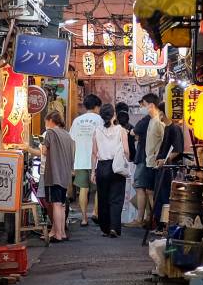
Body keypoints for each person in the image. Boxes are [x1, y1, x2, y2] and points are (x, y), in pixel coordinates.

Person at [23, 111, 74, 242]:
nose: (45, 124)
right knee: (61, 204)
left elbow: (44, 151)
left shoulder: (51, 133)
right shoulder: (67, 135)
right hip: (65, 174)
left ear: (51, 121)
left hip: (53, 174)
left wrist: (27, 148)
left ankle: (57, 234)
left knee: (55, 204)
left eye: (46, 122)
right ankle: (61, 232)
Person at [91, 103, 129, 237]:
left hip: (102, 167)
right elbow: (126, 151)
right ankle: (114, 227)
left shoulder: (97, 131)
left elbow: (94, 153)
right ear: (114, 115)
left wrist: (92, 172)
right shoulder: (121, 130)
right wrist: (126, 161)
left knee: (103, 198)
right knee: (116, 198)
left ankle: (105, 228)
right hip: (116, 166)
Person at [128, 93, 164, 228]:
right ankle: (152, 219)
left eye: (143, 104)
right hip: (149, 161)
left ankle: (152, 219)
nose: (142, 107)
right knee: (149, 191)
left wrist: (159, 157)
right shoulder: (152, 120)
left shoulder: (157, 120)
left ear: (151, 105)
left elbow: (163, 141)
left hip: (152, 162)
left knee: (147, 190)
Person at [69, 94, 102, 226]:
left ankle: (84, 218)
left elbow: (73, 142)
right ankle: (95, 212)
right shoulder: (100, 120)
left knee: (83, 189)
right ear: (96, 106)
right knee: (99, 188)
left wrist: (73, 161)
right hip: (96, 160)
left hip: (80, 159)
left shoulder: (77, 121)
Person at [153, 105, 185, 225]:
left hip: (170, 170)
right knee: (160, 196)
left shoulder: (174, 128)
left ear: (162, 113)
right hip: (163, 169)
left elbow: (177, 151)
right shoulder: (167, 128)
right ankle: (160, 224)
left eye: (159, 112)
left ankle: (166, 225)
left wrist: (164, 161)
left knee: (166, 197)